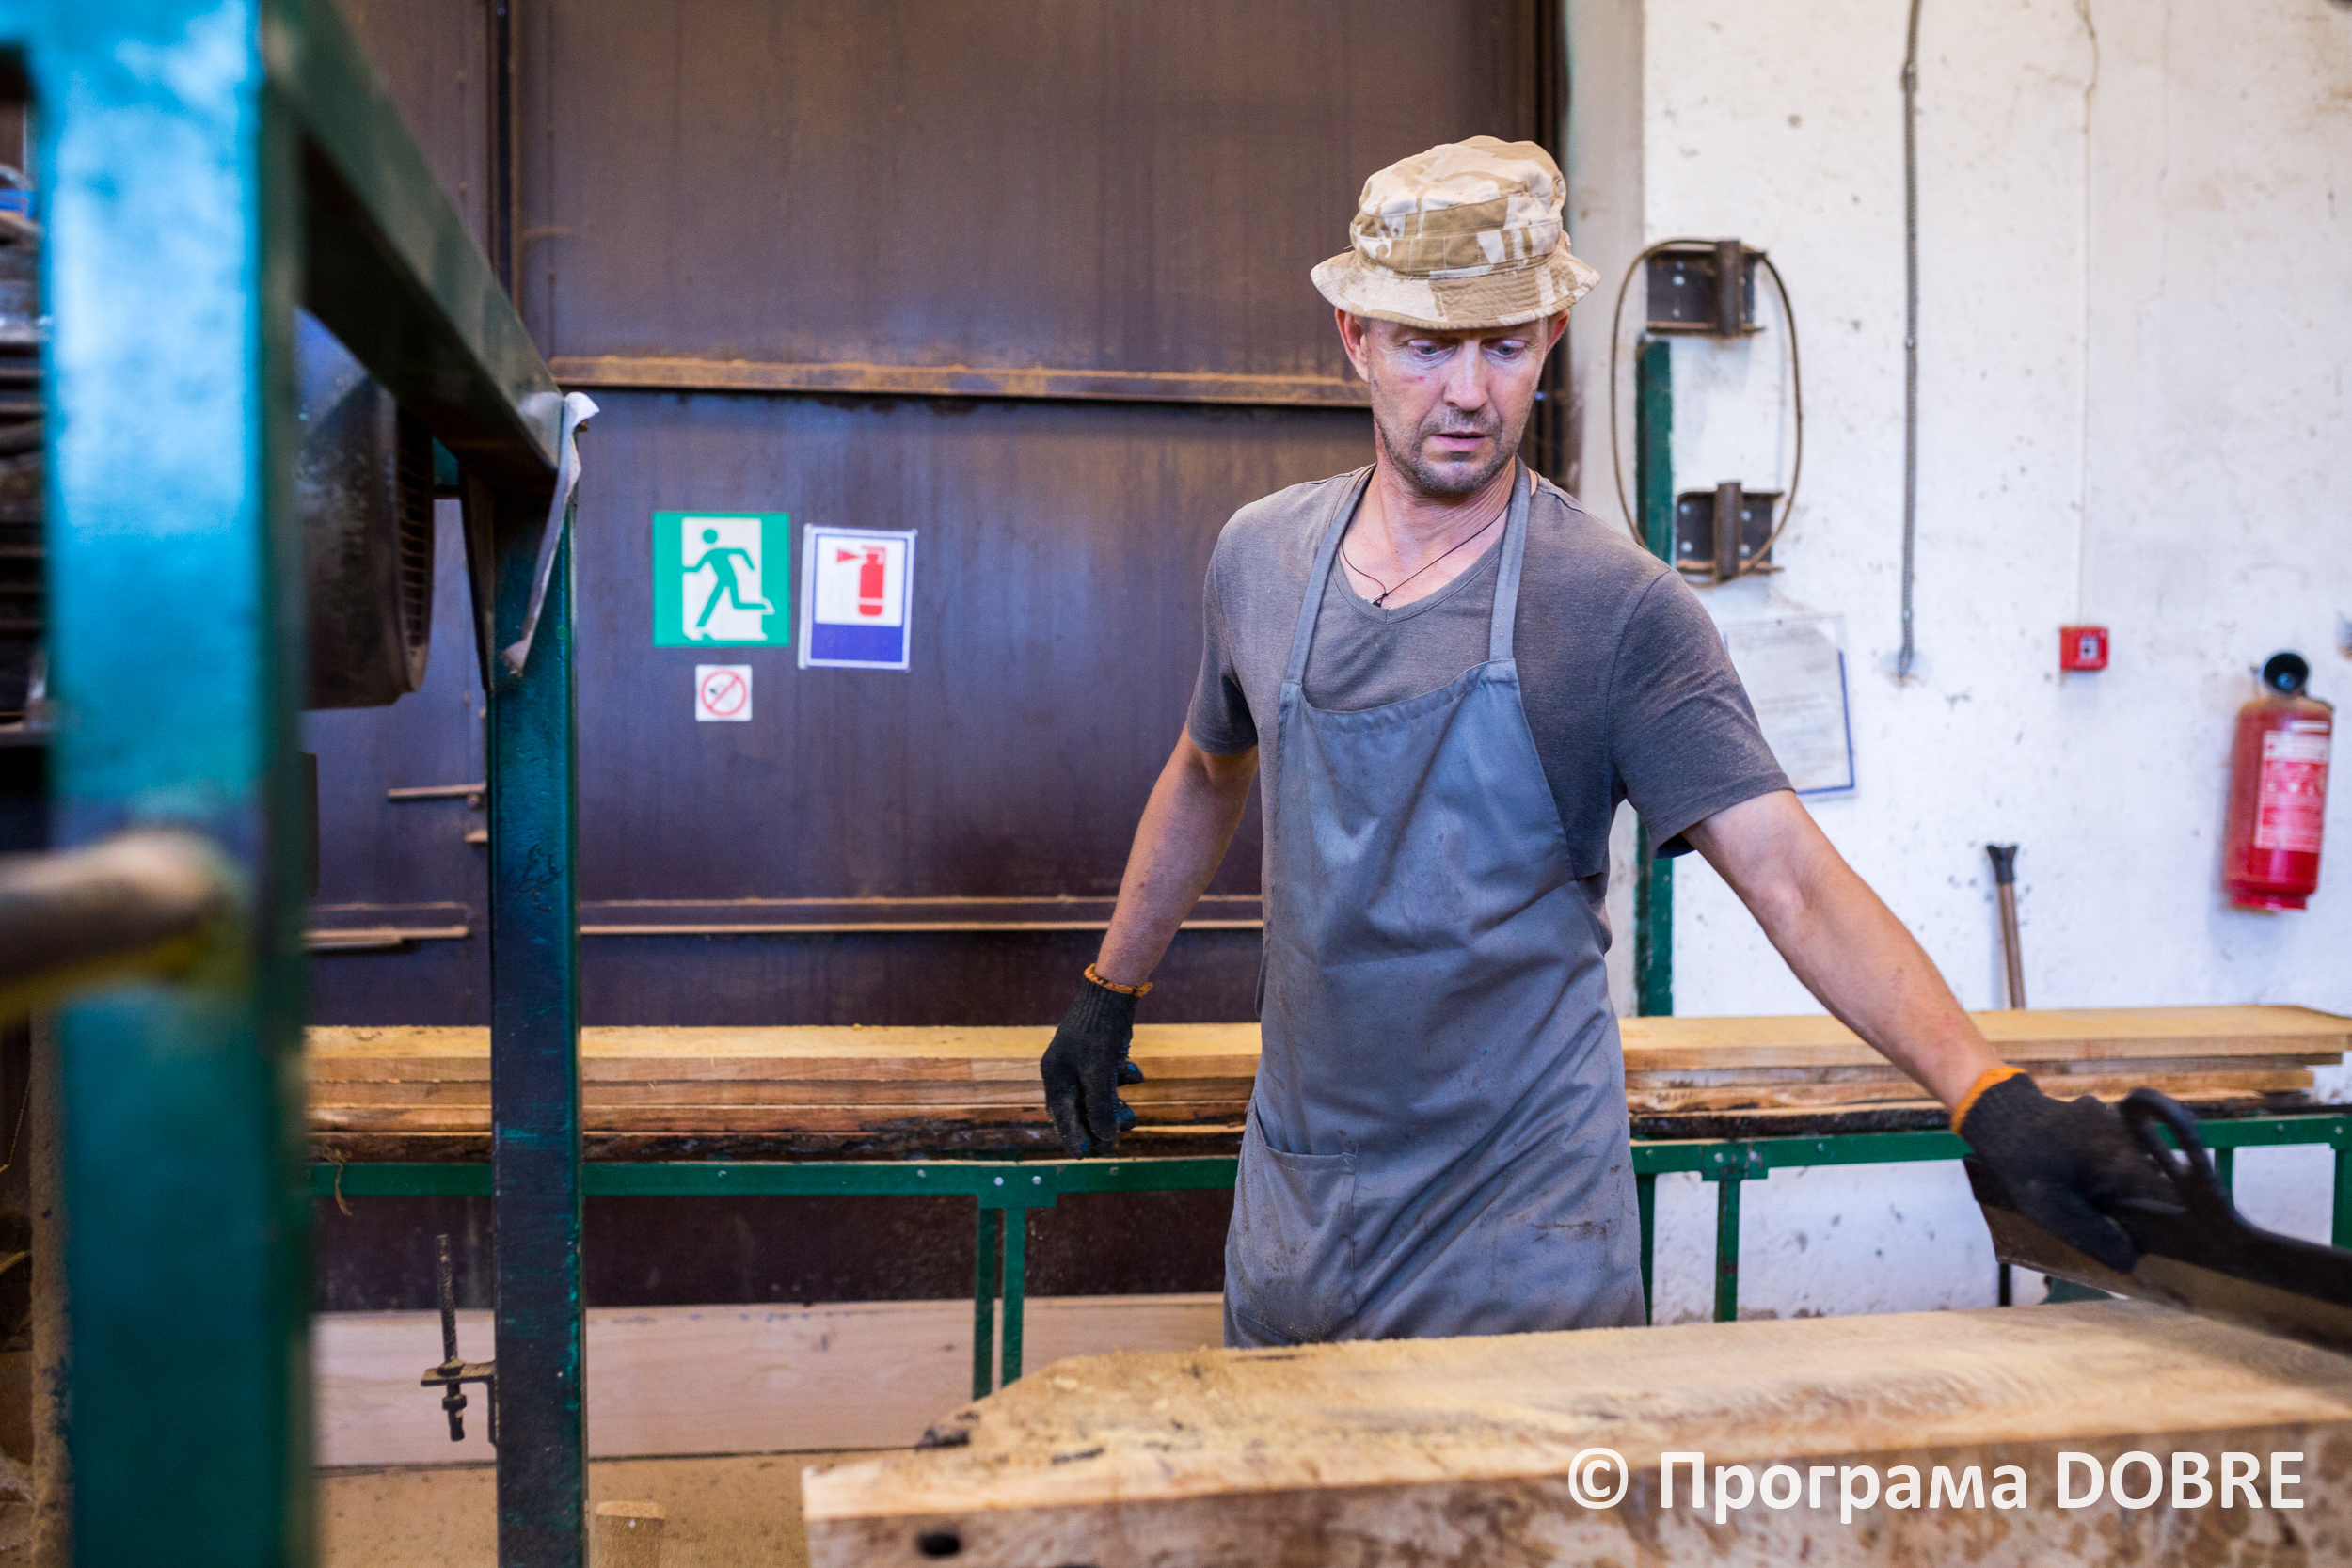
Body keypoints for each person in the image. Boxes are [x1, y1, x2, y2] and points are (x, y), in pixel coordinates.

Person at [1041, 137, 2164, 1347]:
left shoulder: (1614, 609)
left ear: (1553, 337)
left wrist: (1986, 1094)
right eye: (1426, 345)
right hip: (1305, 1200)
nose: (1467, 392)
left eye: (1503, 345)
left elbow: (1787, 874)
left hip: (1522, 1228)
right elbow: (1209, 764)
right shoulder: (1260, 558)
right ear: (1355, 338)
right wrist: (1112, 984)